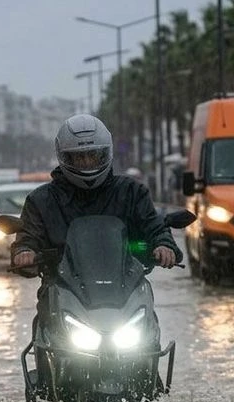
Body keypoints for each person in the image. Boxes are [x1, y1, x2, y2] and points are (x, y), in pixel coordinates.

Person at [11, 114, 181, 316]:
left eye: (93, 155)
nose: (87, 163)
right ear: (65, 157)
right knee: (46, 327)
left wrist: (164, 245)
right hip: (64, 294)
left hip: (126, 294)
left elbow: (154, 226)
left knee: (149, 334)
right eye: (79, 157)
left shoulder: (132, 192)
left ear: (105, 154)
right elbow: (28, 236)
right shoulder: (41, 200)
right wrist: (25, 252)